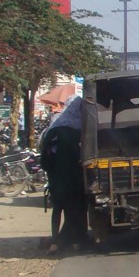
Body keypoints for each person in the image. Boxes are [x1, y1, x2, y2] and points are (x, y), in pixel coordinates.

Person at [38, 97, 88, 254]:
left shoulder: (54, 129)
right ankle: (77, 241)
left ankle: (55, 242)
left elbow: (44, 158)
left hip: (56, 180)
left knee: (57, 210)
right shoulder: (81, 131)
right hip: (76, 179)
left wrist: (52, 171)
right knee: (77, 210)